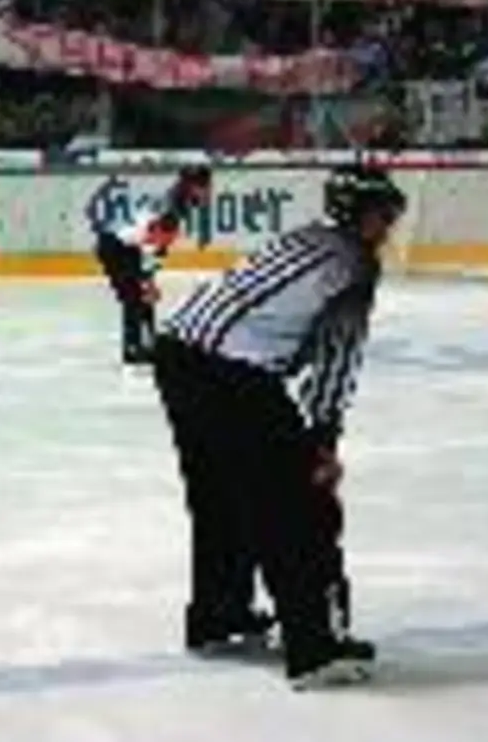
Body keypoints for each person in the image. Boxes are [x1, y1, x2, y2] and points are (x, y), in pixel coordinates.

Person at [152, 164, 406, 690]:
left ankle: (219, 617)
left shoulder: (304, 237)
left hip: (178, 355)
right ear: (363, 216)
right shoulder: (355, 264)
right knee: (294, 508)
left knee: (219, 495)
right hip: (233, 373)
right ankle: (313, 648)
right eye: (385, 215)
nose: (390, 227)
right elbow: (338, 358)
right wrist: (323, 443)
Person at [93, 166, 213, 365]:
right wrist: (147, 279)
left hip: (125, 246)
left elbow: (155, 245)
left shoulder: (174, 202)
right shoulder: (173, 209)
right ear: (194, 187)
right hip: (117, 247)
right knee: (136, 297)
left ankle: (144, 344)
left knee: (141, 298)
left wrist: (148, 277)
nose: (209, 192)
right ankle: (134, 348)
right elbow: (154, 243)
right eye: (206, 187)